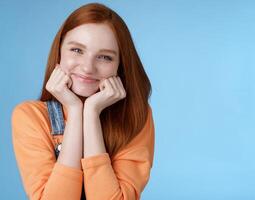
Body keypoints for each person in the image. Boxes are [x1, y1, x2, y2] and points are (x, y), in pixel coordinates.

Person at [11, 3, 155, 200]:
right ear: (59, 51)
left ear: (119, 66)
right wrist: (75, 110)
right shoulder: (31, 116)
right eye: (77, 50)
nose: (88, 68)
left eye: (105, 57)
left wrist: (91, 113)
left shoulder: (136, 115)